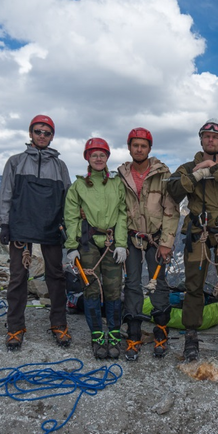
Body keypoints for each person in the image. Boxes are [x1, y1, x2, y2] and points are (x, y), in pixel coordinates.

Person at [167, 118, 218, 362]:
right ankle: (191, 337)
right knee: (194, 286)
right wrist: (197, 174)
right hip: (198, 232)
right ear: (201, 140)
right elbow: (174, 190)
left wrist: (212, 167)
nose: (211, 140)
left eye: (216, 137)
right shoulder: (187, 168)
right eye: (207, 136)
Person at [0, 115, 72, 350]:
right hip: (21, 226)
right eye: (38, 131)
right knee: (18, 277)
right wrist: (4, 224)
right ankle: (15, 327)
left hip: (52, 226)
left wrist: (68, 227)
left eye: (47, 133)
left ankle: (59, 324)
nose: (42, 136)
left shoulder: (60, 166)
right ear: (30, 133)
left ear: (52, 136)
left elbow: (67, 198)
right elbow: (6, 192)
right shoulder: (15, 162)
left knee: (56, 276)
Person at [117, 127, 180, 361]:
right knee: (132, 284)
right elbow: (118, 209)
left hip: (156, 236)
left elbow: (171, 209)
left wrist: (166, 242)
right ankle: (133, 336)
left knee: (159, 284)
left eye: (143, 145)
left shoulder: (162, 174)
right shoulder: (121, 176)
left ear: (149, 148)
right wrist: (120, 242)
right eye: (135, 145)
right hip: (131, 237)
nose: (139, 149)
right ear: (129, 147)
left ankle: (161, 333)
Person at [64, 138, 127, 360]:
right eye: (94, 155)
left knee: (113, 289)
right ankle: (98, 336)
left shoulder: (117, 184)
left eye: (102, 154)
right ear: (87, 158)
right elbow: (71, 217)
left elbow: (122, 214)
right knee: (91, 289)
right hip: (88, 242)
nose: (98, 158)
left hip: (111, 242)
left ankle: (114, 335)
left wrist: (121, 243)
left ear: (107, 157)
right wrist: (71, 247)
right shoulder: (78, 186)